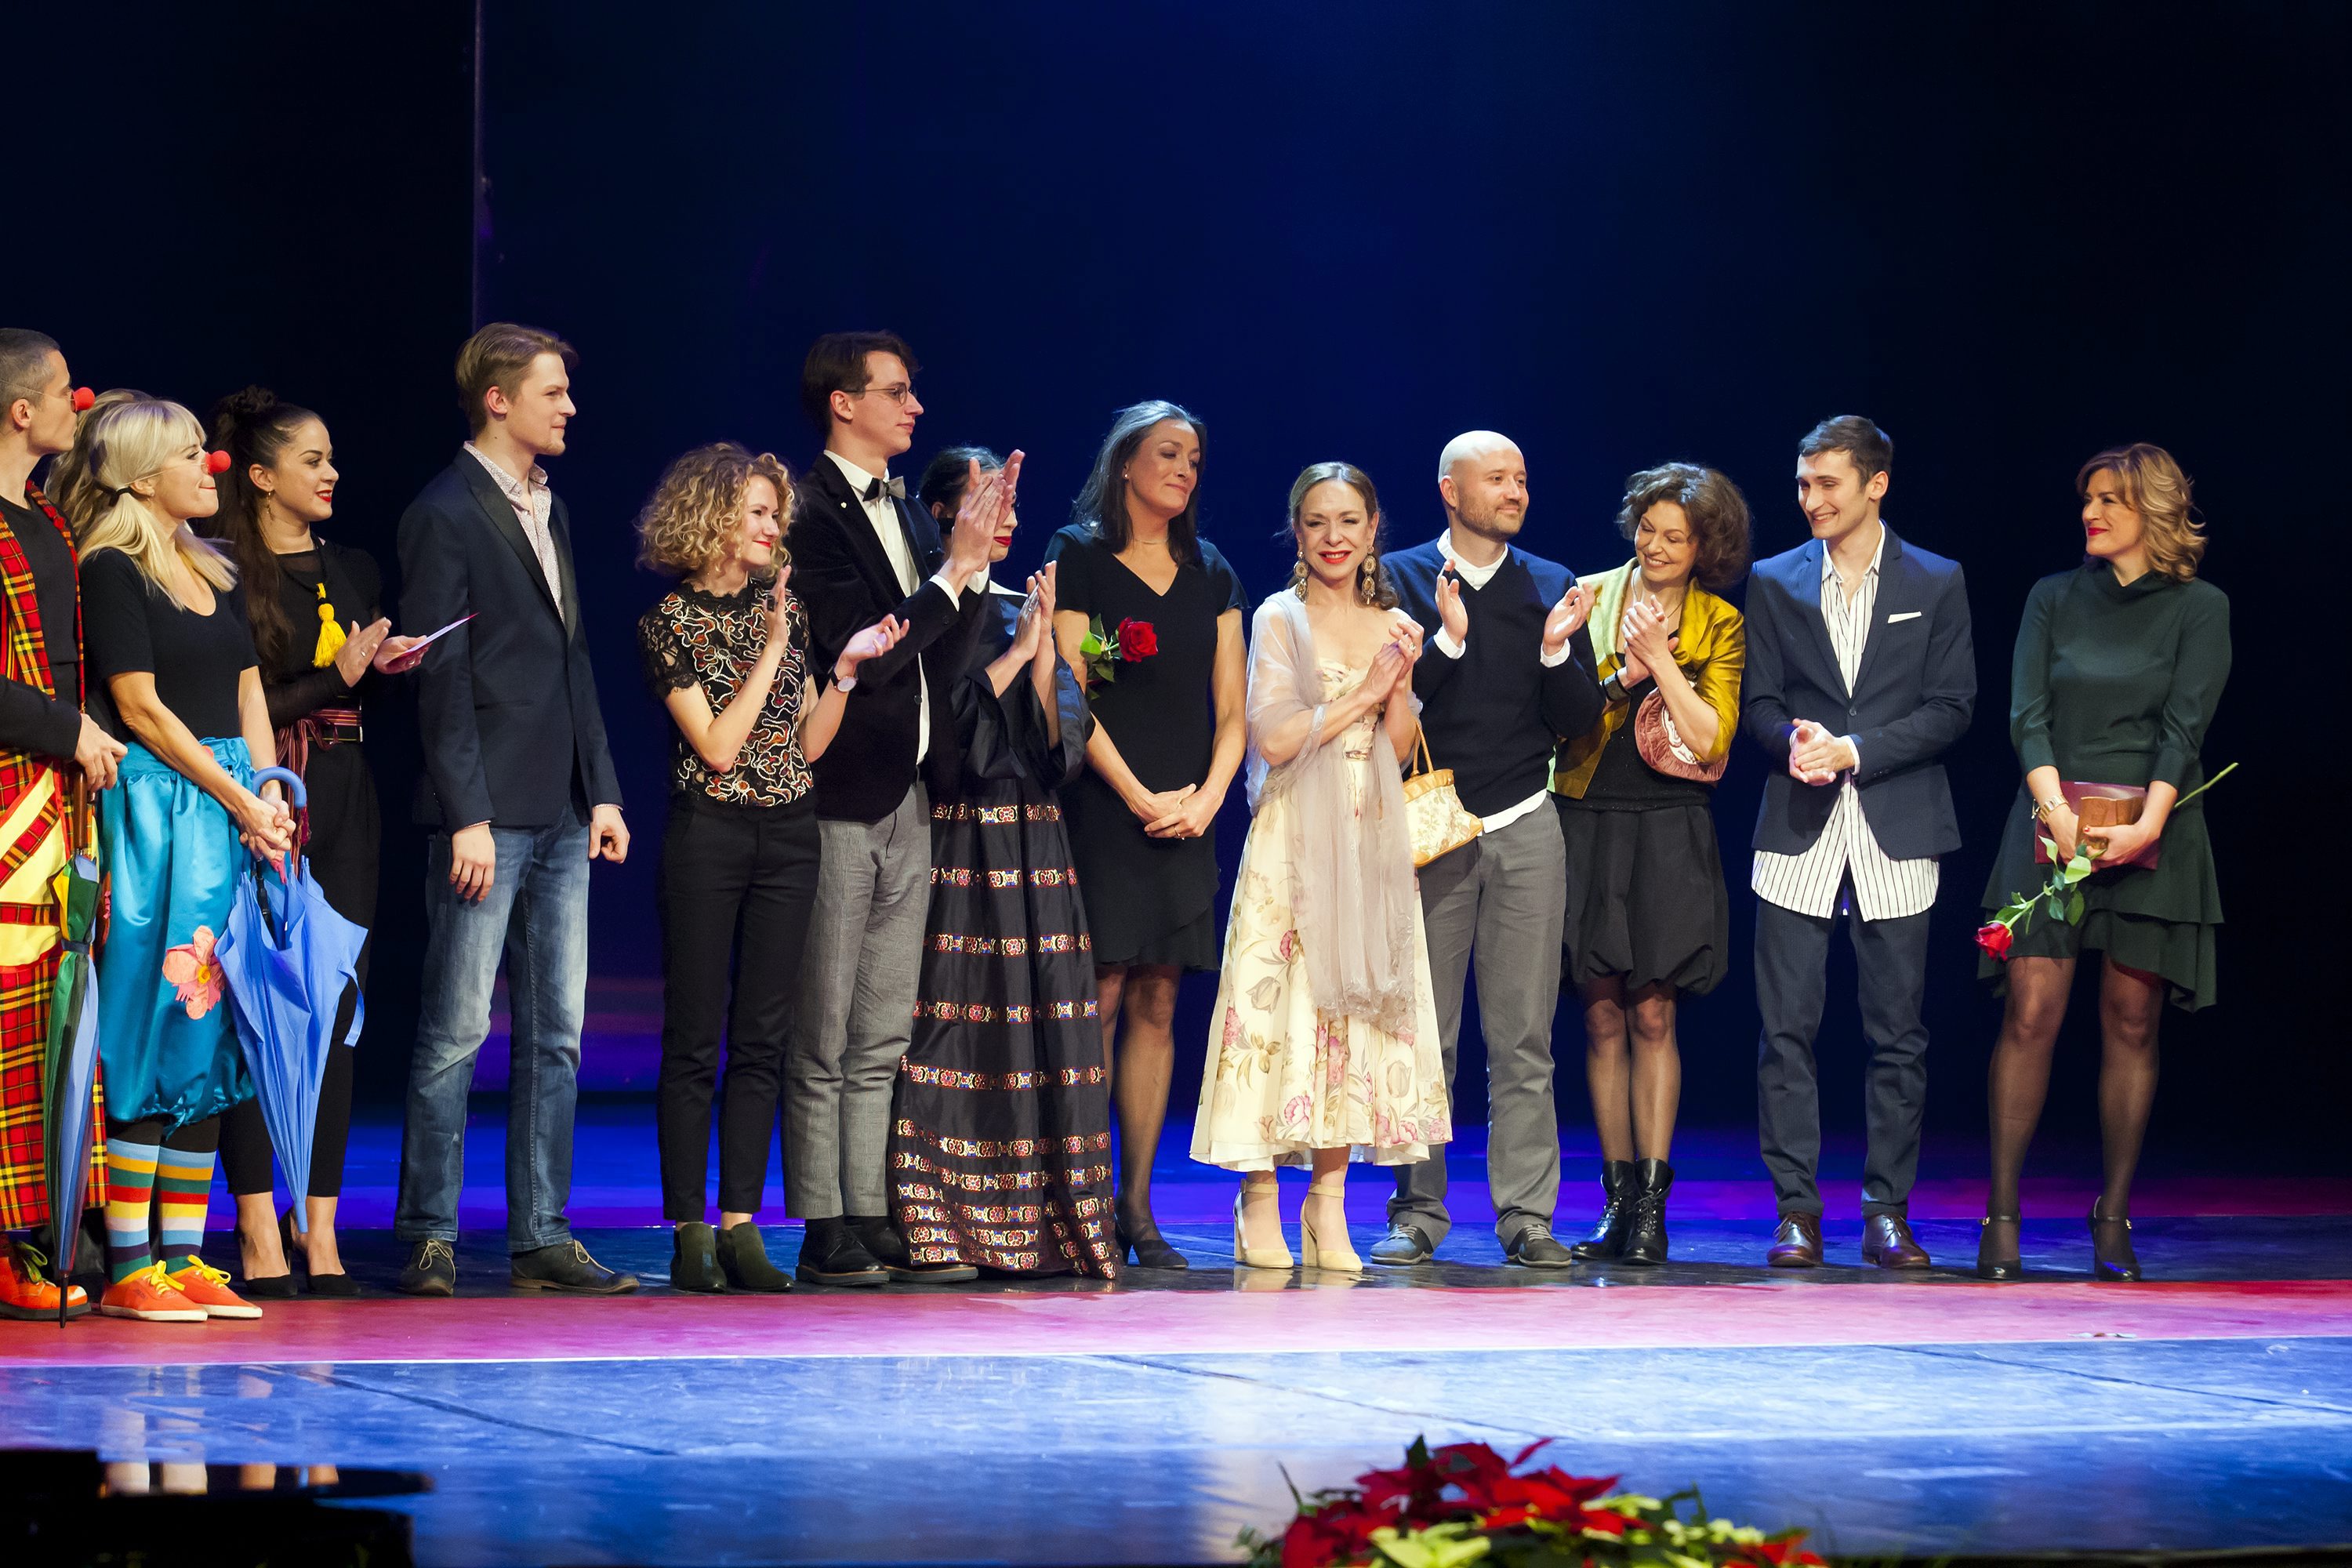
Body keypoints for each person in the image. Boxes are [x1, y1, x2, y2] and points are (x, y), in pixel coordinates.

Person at [394, 323, 633, 1298]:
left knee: (558, 1033)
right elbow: (441, 678)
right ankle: (426, 1231)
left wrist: (605, 785)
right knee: (456, 1030)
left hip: (565, 806)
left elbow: (573, 658)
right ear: (498, 399)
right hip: (488, 811)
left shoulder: (551, 505)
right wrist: (467, 814)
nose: (569, 406)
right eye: (552, 392)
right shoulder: (445, 511)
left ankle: (542, 1232)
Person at [636, 441, 906, 1292]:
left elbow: (805, 746)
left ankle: (742, 1222)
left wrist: (846, 675)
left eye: (772, 514)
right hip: (710, 833)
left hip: (789, 833)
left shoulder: (782, 614)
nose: (769, 528)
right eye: (755, 512)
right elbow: (717, 747)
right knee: (694, 1039)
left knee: (763, 1039)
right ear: (712, 517)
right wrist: (774, 646)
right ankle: (688, 1228)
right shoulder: (669, 621)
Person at [786, 332, 1016, 1287]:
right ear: (843, 403)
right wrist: (952, 572)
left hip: (913, 790)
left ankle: (872, 1209)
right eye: (896, 391)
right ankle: (821, 1218)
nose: (914, 407)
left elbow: (944, 650)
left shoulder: (910, 521)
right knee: (825, 1024)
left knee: (882, 1028)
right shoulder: (810, 512)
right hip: (839, 791)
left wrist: (964, 567)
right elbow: (863, 649)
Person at [64, 394, 293, 1321]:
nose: (215, 467)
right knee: (153, 1017)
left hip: (232, 807)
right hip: (164, 806)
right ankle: (127, 1263)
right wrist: (238, 797)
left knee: (216, 1025)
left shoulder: (214, 566)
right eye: (194, 454)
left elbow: (248, 690)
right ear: (142, 471)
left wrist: (271, 791)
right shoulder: (113, 568)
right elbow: (142, 707)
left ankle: (186, 1253)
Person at [1975, 444, 2228, 1283]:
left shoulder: (2200, 607)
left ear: (2153, 510)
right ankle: (2002, 1216)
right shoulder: (2053, 596)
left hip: (2151, 828)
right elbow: (2027, 714)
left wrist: (2149, 824)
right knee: (2032, 1012)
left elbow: (2184, 730)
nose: (2092, 511)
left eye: (2112, 499)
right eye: (2087, 496)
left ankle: (2112, 1214)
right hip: (2052, 822)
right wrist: (2055, 812)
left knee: (2130, 1022)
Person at [1192, 463, 1450, 1273]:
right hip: (1293, 842)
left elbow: (1400, 746)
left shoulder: (1393, 621)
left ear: (1374, 529)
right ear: (1297, 533)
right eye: (1316, 522)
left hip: (1369, 838)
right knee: (1279, 1016)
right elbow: (1271, 737)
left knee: (1351, 1017)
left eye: (1348, 521)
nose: (1334, 537)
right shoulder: (1279, 618)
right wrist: (1366, 690)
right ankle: (1260, 1198)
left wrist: (1400, 685)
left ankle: (1328, 1206)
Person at [202, 388, 423, 1298]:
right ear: (259, 477)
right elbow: (241, 704)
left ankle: (319, 1227)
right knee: (257, 1009)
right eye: (312, 460)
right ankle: (256, 1224)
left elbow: (353, 691)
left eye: (333, 458)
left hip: (345, 791)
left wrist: (384, 672)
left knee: (335, 1008)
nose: (332, 474)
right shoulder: (220, 571)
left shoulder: (356, 566)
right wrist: (331, 675)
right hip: (266, 792)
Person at [1744, 416, 1973, 1270]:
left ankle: (1887, 1212)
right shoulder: (1774, 580)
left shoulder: (1937, 579)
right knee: (1786, 1031)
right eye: (1804, 484)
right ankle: (1796, 1211)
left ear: (1876, 483)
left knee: (1897, 1033)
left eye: (1828, 483)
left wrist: (1860, 751)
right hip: (1798, 825)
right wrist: (1792, 741)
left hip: (1896, 819)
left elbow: (1953, 705)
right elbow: (1759, 702)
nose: (1811, 499)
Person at [888, 447, 1120, 1279]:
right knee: (955, 1021)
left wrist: (1051, 650)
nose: (1010, 513)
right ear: (946, 513)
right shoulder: (936, 609)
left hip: (1036, 840)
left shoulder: (1032, 603)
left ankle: (1045, 1220)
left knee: (1049, 1019)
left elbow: (1064, 746)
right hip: (961, 835)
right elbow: (948, 739)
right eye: (991, 497)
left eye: (1015, 497)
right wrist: (1018, 653)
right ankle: (946, 1221)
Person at [1373, 431, 1601, 1269]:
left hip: (1524, 824)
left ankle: (1527, 1215)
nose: (1515, 491)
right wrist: (1451, 640)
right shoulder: (1398, 578)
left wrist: (1554, 650)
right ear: (1450, 489)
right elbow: (1384, 713)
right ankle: (1418, 1211)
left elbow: (1580, 721)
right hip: (1431, 827)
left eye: (1522, 478)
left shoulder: (1549, 583)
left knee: (1524, 1037)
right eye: (1497, 478)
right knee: (1426, 1034)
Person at [1046, 402, 1247, 1271]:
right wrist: (1136, 796)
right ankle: (1078, 1194)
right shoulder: (1081, 555)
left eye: (1195, 459)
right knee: (1100, 992)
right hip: (1107, 804)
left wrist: (1204, 800)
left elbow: (1233, 709)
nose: (1184, 470)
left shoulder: (1210, 571)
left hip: (1186, 812)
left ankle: (1135, 1202)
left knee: (1161, 998)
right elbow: (1072, 692)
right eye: (1169, 454)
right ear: (1126, 461)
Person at [1553, 463, 1750, 1265]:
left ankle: (1653, 1211)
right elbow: (1558, 715)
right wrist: (1617, 671)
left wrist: (1661, 662)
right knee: (1599, 1012)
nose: (1657, 545)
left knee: (1654, 1011)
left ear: (1705, 546)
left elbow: (1713, 738)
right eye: (1648, 529)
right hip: (1588, 814)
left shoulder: (1720, 621)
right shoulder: (1590, 594)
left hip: (1671, 825)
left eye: (1677, 535)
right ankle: (1616, 1198)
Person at [0, 329, 120, 1320]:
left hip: (57, 807)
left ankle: (37, 1234)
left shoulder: (47, 522)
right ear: (19, 413)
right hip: (10, 797)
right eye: (63, 395)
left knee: (52, 1018)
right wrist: (65, 728)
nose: (76, 408)